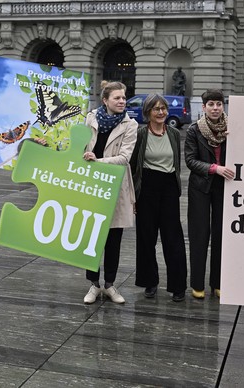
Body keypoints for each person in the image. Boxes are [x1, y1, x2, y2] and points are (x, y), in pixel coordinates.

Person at [82, 81, 138, 304]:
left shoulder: (130, 124)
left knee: (113, 239)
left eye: (124, 98)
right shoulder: (90, 119)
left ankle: (110, 285)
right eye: (117, 98)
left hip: (115, 186)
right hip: (91, 185)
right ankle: (93, 285)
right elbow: (79, 146)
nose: (122, 101)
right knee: (92, 238)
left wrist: (98, 160)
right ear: (105, 100)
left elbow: (125, 158)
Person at [130, 93, 187, 302]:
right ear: (148, 112)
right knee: (146, 237)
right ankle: (149, 282)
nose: (161, 112)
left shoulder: (173, 133)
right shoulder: (140, 134)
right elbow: (133, 164)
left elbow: (178, 162)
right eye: (156, 109)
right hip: (147, 187)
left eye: (163, 108)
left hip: (169, 186)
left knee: (173, 237)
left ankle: (178, 285)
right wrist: (133, 196)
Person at [184, 89, 235, 300]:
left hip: (225, 188)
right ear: (204, 107)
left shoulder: (233, 128)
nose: (215, 108)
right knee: (199, 235)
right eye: (211, 104)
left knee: (222, 236)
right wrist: (215, 168)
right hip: (200, 188)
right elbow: (190, 160)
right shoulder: (194, 130)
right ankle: (197, 284)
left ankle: (218, 282)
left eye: (219, 104)